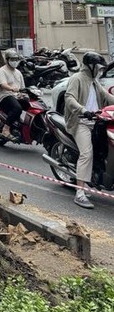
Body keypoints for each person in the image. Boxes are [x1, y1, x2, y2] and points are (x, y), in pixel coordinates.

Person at [64, 51, 114, 209]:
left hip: (97, 122)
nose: (99, 70)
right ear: (90, 66)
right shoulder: (76, 78)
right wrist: (83, 110)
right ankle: (80, 193)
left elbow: (106, 97)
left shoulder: (94, 81)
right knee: (87, 153)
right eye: (98, 67)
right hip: (81, 122)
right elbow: (69, 98)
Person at [0, 48, 26, 141]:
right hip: (5, 95)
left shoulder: (18, 72)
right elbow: (3, 84)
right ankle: (6, 129)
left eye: (16, 59)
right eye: (12, 59)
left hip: (16, 96)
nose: (15, 62)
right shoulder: (2, 71)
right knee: (17, 108)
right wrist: (11, 88)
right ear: (7, 60)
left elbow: (22, 87)